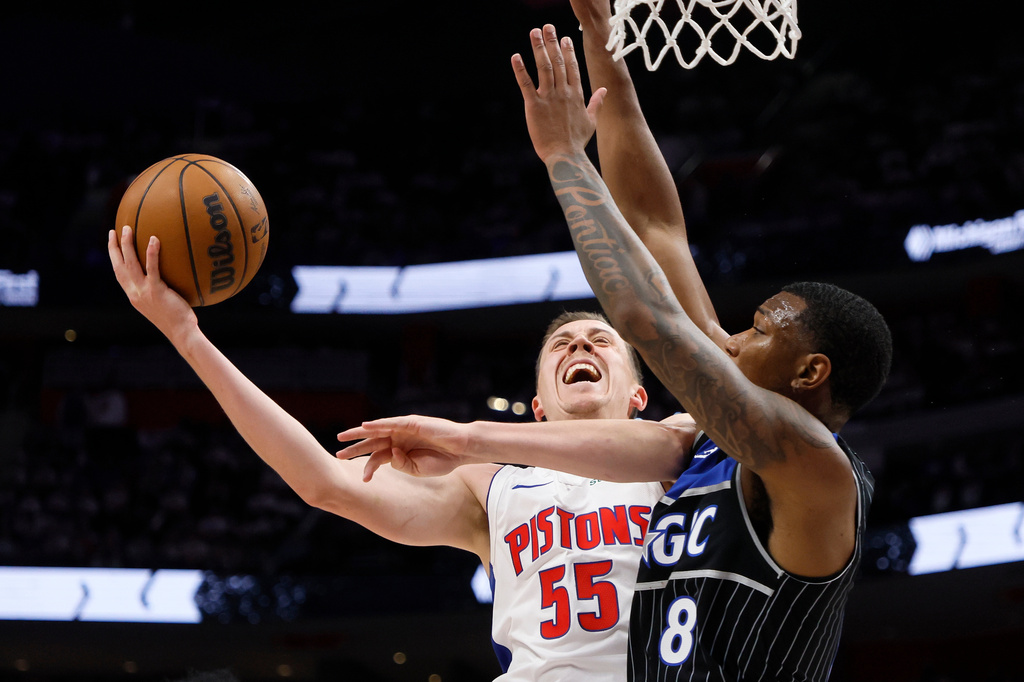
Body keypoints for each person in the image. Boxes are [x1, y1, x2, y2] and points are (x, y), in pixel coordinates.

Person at [340, 9, 893, 681]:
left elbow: (639, 312)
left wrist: (566, 161)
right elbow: (656, 225)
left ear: (809, 371)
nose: (730, 337)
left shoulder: (812, 468)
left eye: (759, 331)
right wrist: (605, 41)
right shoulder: (720, 433)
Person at [107, 225, 696, 682]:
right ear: (539, 405)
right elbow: (321, 481)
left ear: (638, 396)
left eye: (600, 342)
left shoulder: (681, 446)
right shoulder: (488, 488)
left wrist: (468, 438)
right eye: (561, 345)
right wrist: (187, 336)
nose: (580, 345)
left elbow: (669, 444)